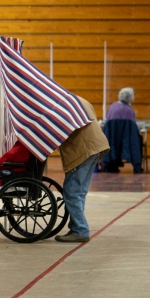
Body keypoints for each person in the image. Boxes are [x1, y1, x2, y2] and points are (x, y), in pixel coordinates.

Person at [55, 96, 110, 243]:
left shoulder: (60, 106)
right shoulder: (80, 100)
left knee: (72, 191)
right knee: (79, 192)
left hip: (83, 150)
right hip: (97, 145)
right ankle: (76, 228)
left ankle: (80, 230)